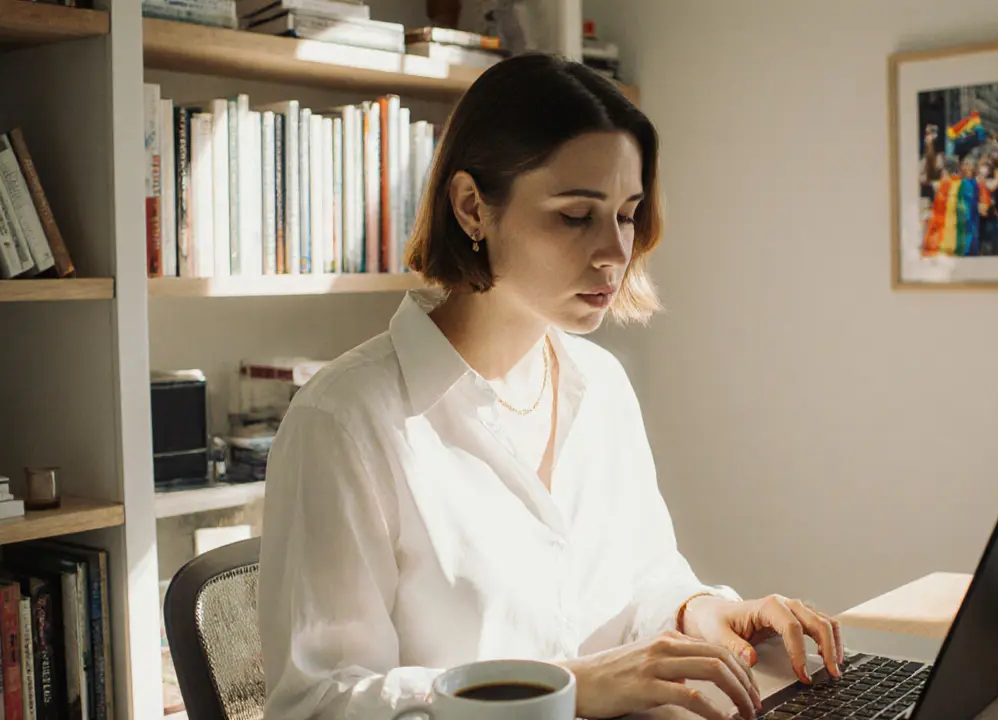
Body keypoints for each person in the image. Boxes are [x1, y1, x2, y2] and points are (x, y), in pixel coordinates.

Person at [258, 53, 842, 720]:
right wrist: (562, 686)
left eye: (626, 214)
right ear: (473, 208)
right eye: (574, 216)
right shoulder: (345, 420)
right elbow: (317, 704)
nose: (616, 254)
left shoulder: (602, 387)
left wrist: (700, 611)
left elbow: (638, 584)